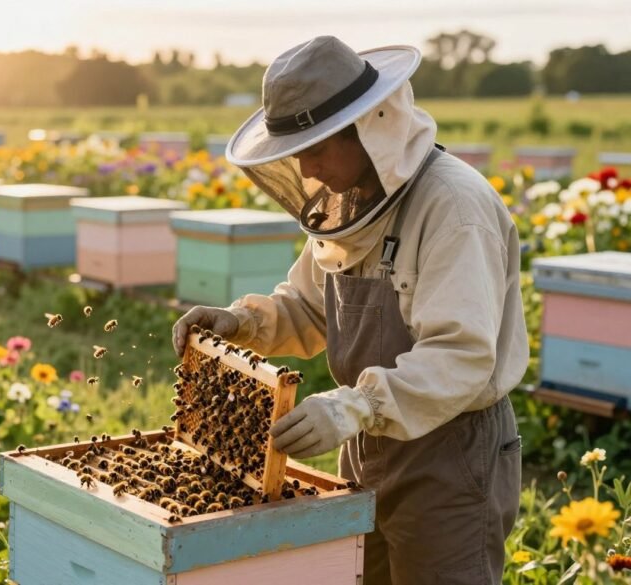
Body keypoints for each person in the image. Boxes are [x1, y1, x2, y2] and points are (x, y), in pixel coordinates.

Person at [172, 36, 528, 584]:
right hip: (367, 448)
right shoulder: (350, 204)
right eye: (297, 151)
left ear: (370, 125)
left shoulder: (453, 207)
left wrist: (353, 406)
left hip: (450, 454)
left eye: (317, 147)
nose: (307, 169)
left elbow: (460, 356)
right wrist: (241, 322)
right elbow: (312, 307)